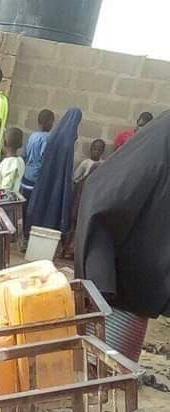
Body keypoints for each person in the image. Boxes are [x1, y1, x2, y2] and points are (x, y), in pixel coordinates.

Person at [76, 112, 170, 363]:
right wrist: (101, 281)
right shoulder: (158, 145)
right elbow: (102, 197)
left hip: (138, 291)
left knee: (115, 368)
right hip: (118, 285)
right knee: (100, 365)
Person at [25, 107, 82, 242]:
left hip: (41, 176)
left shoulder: (54, 135)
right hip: (52, 177)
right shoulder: (64, 139)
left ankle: (30, 234)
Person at [20, 108, 55, 202]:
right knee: (34, 202)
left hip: (27, 175)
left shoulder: (33, 136)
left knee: (25, 200)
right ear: (48, 122)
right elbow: (45, 158)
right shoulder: (47, 138)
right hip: (37, 177)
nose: (52, 125)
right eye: (52, 122)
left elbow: (24, 154)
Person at [0, 127, 25, 194]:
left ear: (4, 143)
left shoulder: (10, 165)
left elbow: (6, 191)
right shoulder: (21, 161)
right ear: (21, 144)